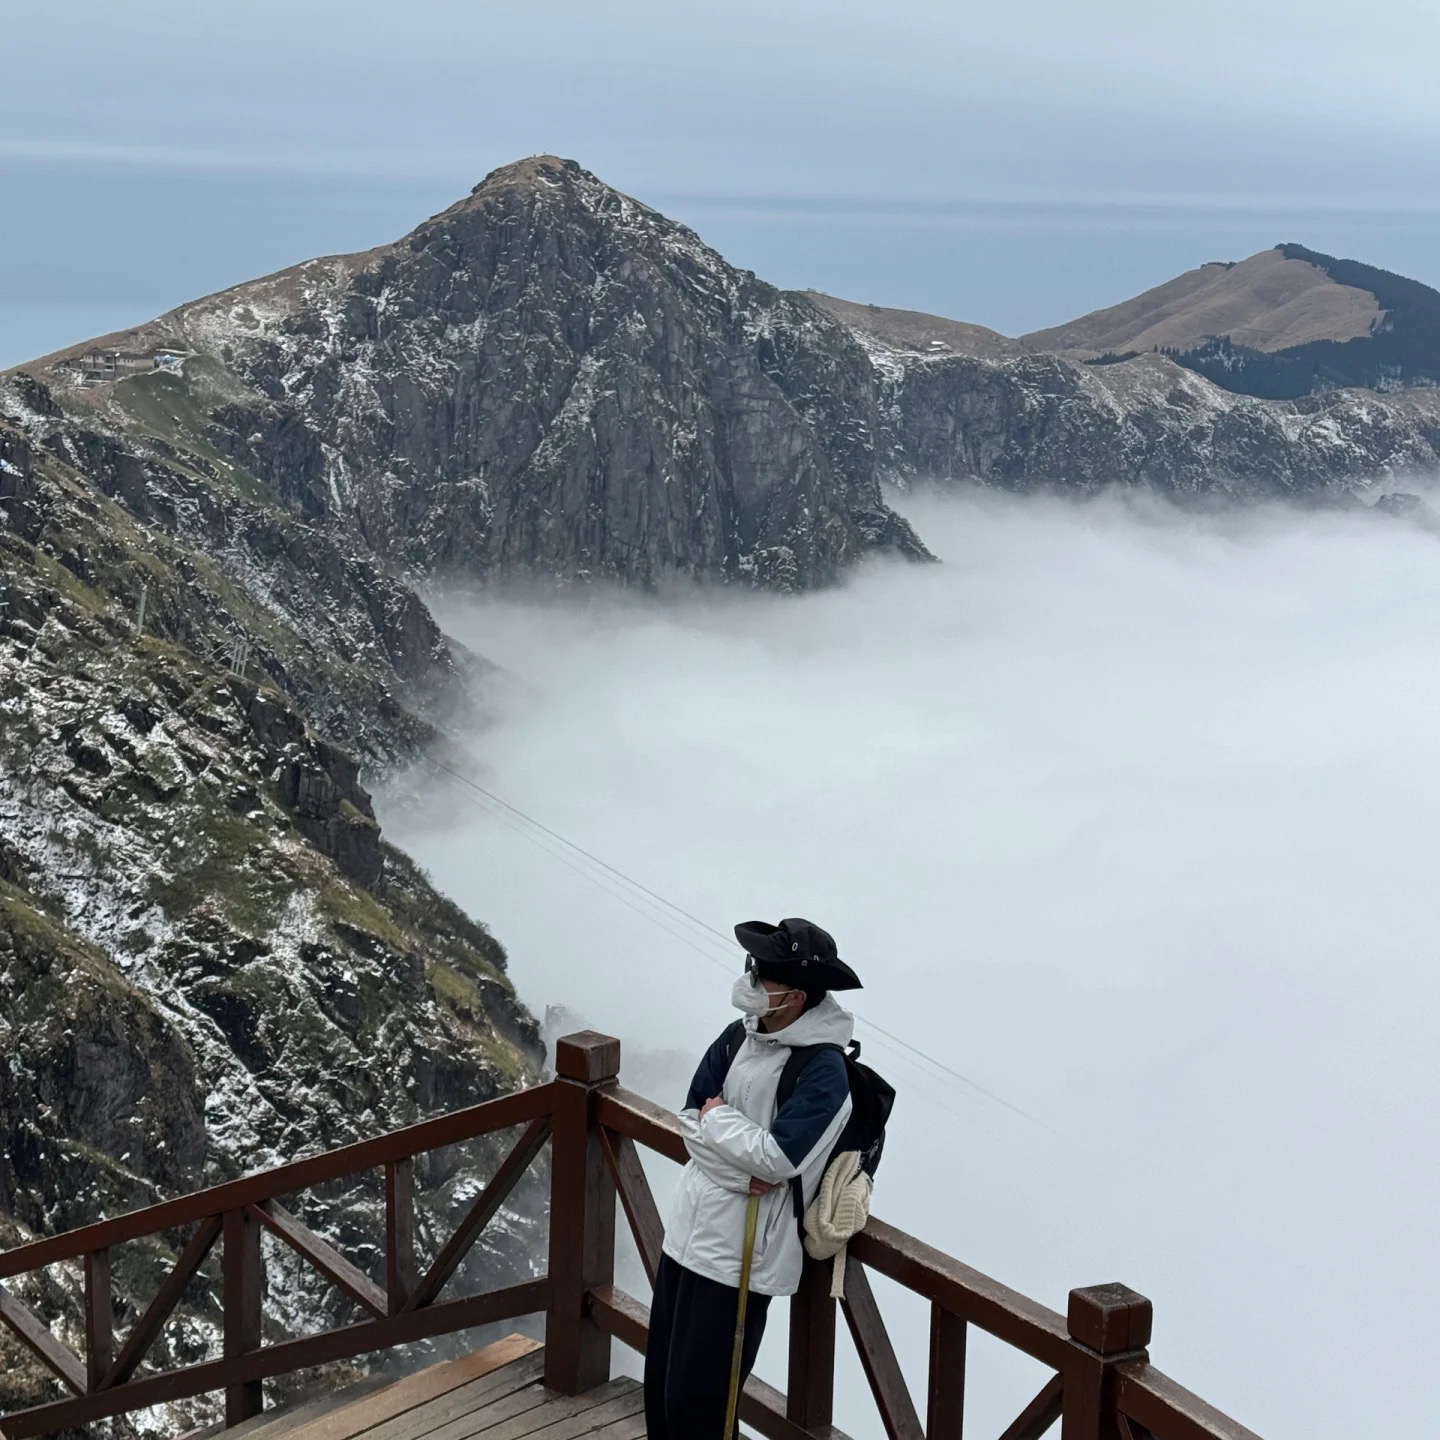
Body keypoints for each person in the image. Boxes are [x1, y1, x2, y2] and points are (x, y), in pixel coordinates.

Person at [644, 917, 862, 1440]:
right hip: (688, 1235)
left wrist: (718, 1120)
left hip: (741, 1259)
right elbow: (689, 1118)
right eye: (753, 966)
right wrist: (738, 1174)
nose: (752, 980)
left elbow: (778, 1158)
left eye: (764, 974)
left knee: (700, 1410)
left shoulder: (824, 1070)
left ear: (798, 996)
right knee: (661, 1394)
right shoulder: (739, 1035)